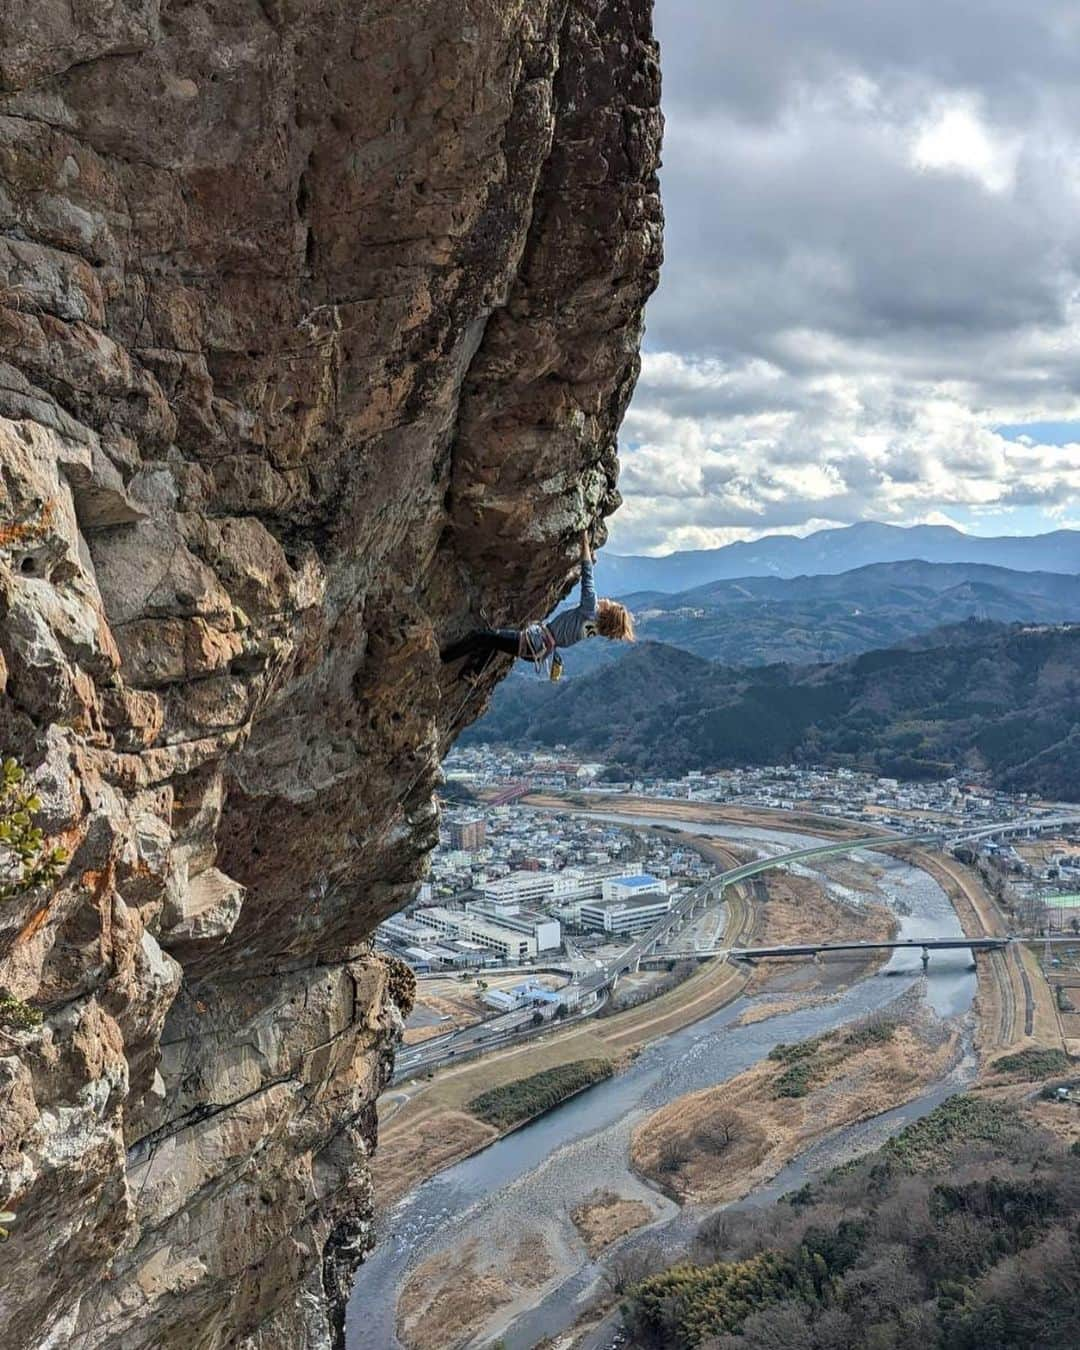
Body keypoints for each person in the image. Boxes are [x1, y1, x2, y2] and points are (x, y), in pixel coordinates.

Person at [441, 529, 635, 677]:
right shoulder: (594, 628)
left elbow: (587, 575)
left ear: (607, 613)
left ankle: (442, 659)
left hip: (535, 642)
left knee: (481, 636)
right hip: (538, 649)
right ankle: (474, 673)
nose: (608, 600)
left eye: (610, 603)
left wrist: (585, 542)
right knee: (493, 640)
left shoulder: (590, 611)